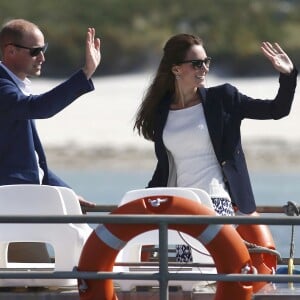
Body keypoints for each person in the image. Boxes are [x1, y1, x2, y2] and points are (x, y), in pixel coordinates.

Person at [134, 33, 297, 218]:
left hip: (217, 201)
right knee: (179, 246)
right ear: (176, 69)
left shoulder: (223, 99)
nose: (204, 68)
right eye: (197, 63)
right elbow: (164, 168)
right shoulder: (162, 111)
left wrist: (288, 75)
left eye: (206, 62)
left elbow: (277, 110)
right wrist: (141, 200)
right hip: (181, 206)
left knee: (206, 242)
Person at [0, 19, 101, 262]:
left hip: (23, 203)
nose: (42, 58)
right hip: (12, 207)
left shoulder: (14, 86)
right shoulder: (3, 88)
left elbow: (29, 159)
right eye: (35, 52)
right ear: (10, 51)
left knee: (40, 275)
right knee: (33, 278)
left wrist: (63, 192)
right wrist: (85, 73)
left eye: (44, 50)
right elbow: (40, 107)